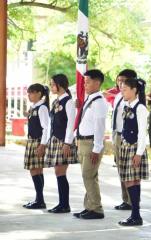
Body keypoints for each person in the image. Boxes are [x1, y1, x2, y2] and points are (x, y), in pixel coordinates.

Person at [73, 69, 108, 219]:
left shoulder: (99, 102)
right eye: (84, 81)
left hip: (91, 142)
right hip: (83, 141)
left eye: (87, 82)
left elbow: (99, 126)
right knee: (88, 176)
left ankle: (97, 209)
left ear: (97, 82)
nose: (84, 85)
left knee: (88, 175)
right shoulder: (89, 99)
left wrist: (97, 147)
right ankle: (89, 206)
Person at [118, 77, 149, 226]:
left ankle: (136, 215)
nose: (122, 91)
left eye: (125, 89)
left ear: (134, 90)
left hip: (135, 147)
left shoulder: (140, 108)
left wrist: (139, 153)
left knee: (132, 180)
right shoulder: (127, 106)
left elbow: (142, 132)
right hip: (126, 146)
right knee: (131, 180)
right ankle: (135, 214)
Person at [46, 74, 78, 213]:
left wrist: (67, 143)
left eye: (53, 84)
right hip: (55, 139)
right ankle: (62, 203)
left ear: (60, 84)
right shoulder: (56, 101)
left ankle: (64, 204)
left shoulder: (68, 101)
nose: (51, 86)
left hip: (63, 141)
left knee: (61, 172)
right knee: (58, 172)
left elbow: (71, 124)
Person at [112, 69, 137, 211]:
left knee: (129, 169)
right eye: (119, 80)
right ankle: (125, 199)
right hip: (117, 134)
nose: (120, 83)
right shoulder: (118, 97)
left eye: (123, 81)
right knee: (120, 167)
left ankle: (132, 199)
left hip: (127, 136)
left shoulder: (133, 98)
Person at [23, 83, 50, 209]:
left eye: (31, 92)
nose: (28, 95)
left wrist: (42, 145)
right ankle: (39, 198)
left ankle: (40, 200)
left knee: (35, 170)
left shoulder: (42, 108)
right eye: (28, 92)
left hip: (38, 142)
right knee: (36, 170)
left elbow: (46, 128)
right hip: (32, 141)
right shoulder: (34, 107)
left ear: (39, 93)